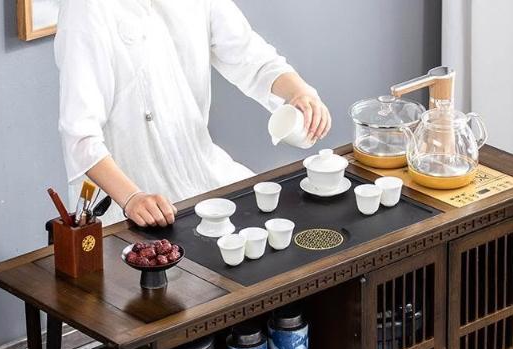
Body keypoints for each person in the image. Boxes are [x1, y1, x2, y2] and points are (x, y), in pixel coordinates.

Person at [55, 0, 332, 227]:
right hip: (127, 206)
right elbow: (81, 138)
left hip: (203, 177)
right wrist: (132, 198)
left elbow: (251, 56)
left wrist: (299, 93)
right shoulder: (86, 9)